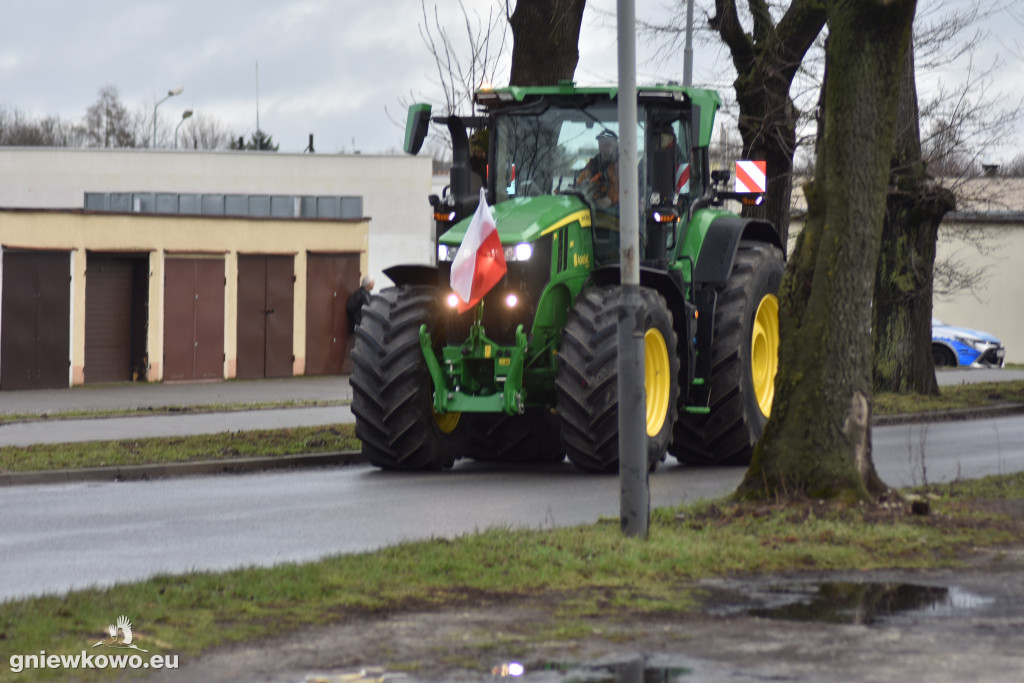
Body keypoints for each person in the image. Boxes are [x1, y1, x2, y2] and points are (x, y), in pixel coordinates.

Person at [577, 129, 620, 210]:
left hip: (619, 211)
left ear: (616, 145)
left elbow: (632, 190)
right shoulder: (593, 164)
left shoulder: (625, 165)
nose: (604, 147)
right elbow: (581, 183)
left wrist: (611, 200)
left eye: (608, 144)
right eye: (601, 143)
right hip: (594, 206)